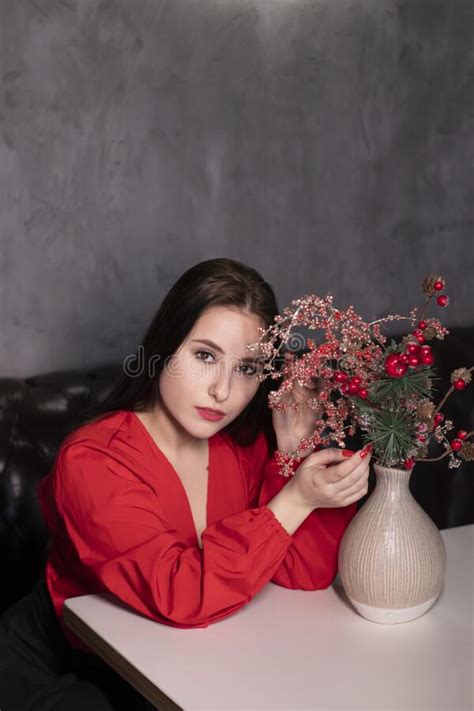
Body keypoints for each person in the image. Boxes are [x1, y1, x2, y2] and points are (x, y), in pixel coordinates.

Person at [0, 258, 371, 710]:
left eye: (248, 368)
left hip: (182, 663)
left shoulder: (243, 446)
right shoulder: (94, 459)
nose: (223, 390)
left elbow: (306, 574)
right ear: (163, 349)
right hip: (63, 666)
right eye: (205, 356)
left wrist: (291, 453)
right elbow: (179, 592)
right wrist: (294, 501)